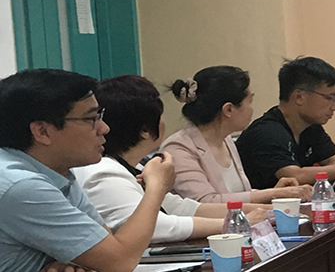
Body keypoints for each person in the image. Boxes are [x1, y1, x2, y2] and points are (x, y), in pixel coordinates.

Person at [0, 68, 177, 272]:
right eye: (91, 119)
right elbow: (120, 261)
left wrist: (75, 260)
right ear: (42, 131)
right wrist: (157, 187)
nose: (104, 128)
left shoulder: (57, 170)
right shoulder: (21, 185)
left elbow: (105, 242)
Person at [75, 75, 267, 243]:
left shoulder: (135, 167)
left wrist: (266, 210)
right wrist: (233, 224)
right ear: (145, 130)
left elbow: (185, 208)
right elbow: (156, 227)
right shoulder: (104, 173)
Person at [160, 66, 309, 204]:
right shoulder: (178, 148)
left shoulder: (226, 139)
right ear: (229, 110)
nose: (251, 109)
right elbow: (205, 202)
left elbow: (238, 194)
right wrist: (272, 194)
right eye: (249, 102)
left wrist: (276, 193)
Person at [235, 57, 335, 190]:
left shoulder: (311, 126)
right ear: (299, 97)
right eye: (329, 98)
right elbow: (295, 176)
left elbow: (334, 159)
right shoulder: (267, 132)